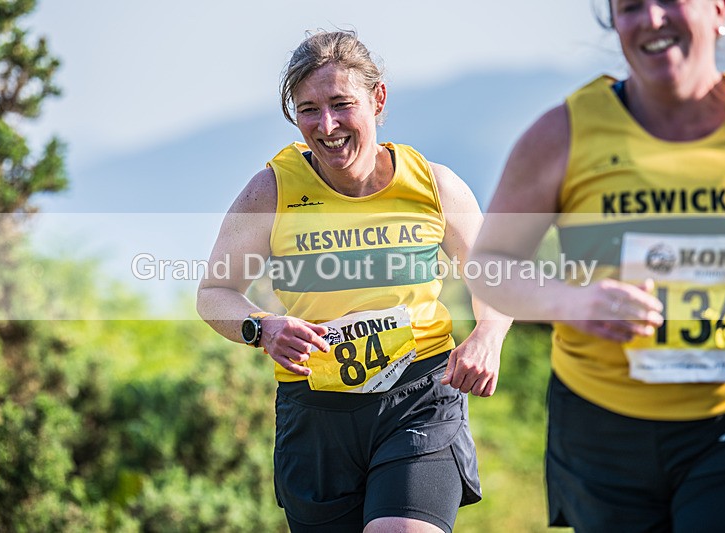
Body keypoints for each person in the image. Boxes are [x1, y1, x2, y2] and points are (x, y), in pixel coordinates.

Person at [196, 30, 512, 533]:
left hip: (418, 398)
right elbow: (214, 294)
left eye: (342, 104)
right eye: (308, 110)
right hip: (316, 413)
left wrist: (487, 336)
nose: (327, 125)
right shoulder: (271, 190)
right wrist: (264, 328)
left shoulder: (434, 184)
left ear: (378, 99)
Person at [466, 1, 725, 531]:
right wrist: (571, 303)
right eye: (630, 6)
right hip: (601, 430)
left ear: (719, 8)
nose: (651, 18)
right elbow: (490, 264)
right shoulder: (563, 133)